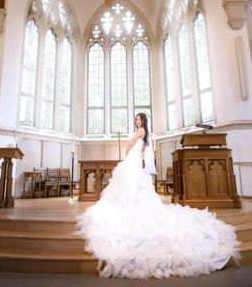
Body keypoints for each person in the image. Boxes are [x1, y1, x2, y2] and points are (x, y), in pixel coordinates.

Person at [76, 113, 239, 279]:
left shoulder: (140, 131)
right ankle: (132, 206)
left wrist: (126, 154)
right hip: (137, 160)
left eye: (139, 119)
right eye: (136, 119)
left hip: (133, 160)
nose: (137, 121)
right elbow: (145, 149)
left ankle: (130, 207)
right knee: (133, 185)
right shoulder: (146, 133)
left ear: (143, 121)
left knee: (130, 184)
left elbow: (131, 143)